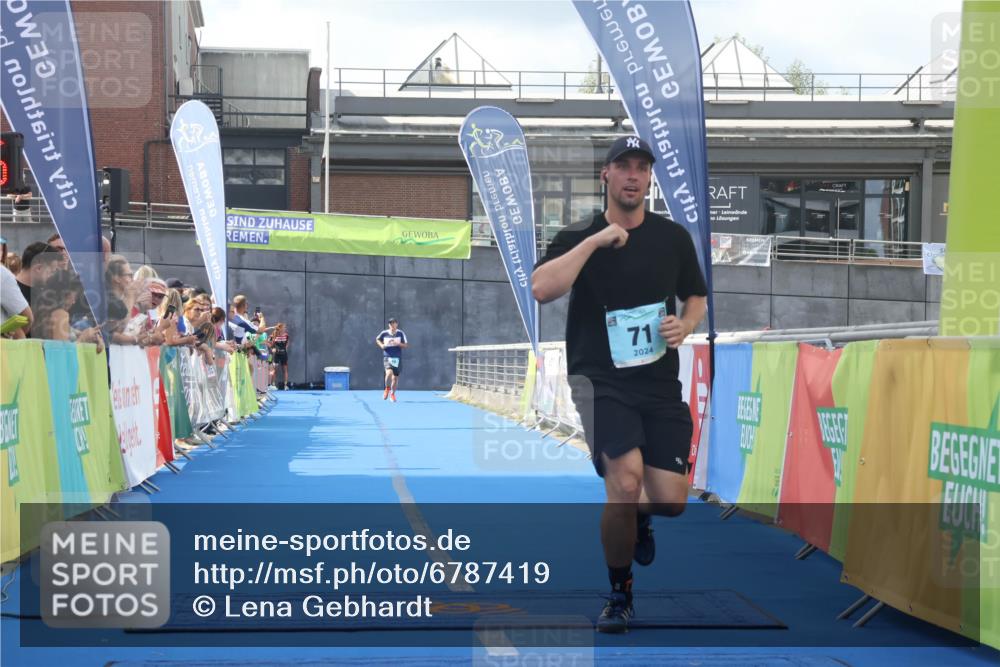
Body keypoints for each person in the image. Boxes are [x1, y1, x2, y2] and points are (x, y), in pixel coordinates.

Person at [531, 136, 707, 634]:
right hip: (599, 380)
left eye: (641, 168)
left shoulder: (672, 238)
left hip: (657, 384)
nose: (633, 175)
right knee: (624, 484)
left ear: (650, 178)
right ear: (605, 176)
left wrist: (686, 325)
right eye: (622, 166)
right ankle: (619, 592)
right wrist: (594, 242)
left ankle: (640, 520)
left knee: (671, 500)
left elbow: (695, 296)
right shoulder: (578, 234)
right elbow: (542, 289)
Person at [375, 318, 408, 402]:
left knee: (395, 378)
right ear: (389, 325)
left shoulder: (401, 333)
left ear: (397, 324)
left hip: (397, 357)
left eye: (394, 323)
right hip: (387, 356)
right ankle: (387, 388)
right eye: (390, 323)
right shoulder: (384, 333)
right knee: (389, 373)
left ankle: (392, 394)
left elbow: (406, 345)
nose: (392, 325)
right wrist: (381, 345)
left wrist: (398, 343)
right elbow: (377, 339)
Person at [270, 323, 290, 389]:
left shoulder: (286, 335)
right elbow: (268, 342)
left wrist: (284, 350)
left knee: (285, 369)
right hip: (276, 355)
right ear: (280, 328)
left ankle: (285, 385)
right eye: (283, 327)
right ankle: (273, 385)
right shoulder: (274, 335)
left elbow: (287, 344)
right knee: (275, 369)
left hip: (284, 354)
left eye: (285, 327)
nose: (285, 329)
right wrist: (272, 348)